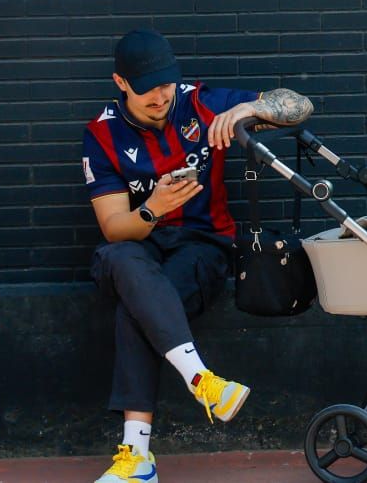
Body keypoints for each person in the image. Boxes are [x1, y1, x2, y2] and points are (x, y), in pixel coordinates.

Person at [82, 29, 313, 483]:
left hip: (202, 245)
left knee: (138, 306)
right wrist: (153, 208)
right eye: (146, 88)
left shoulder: (198, 102)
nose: (160, 96)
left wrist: (248, 109)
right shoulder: (102, 134)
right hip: (140, 246)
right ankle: (201, 379)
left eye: (165, 84)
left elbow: (300, 105)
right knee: (120, 257)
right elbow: (114, 226)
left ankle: (137, 458)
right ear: (120, 83)